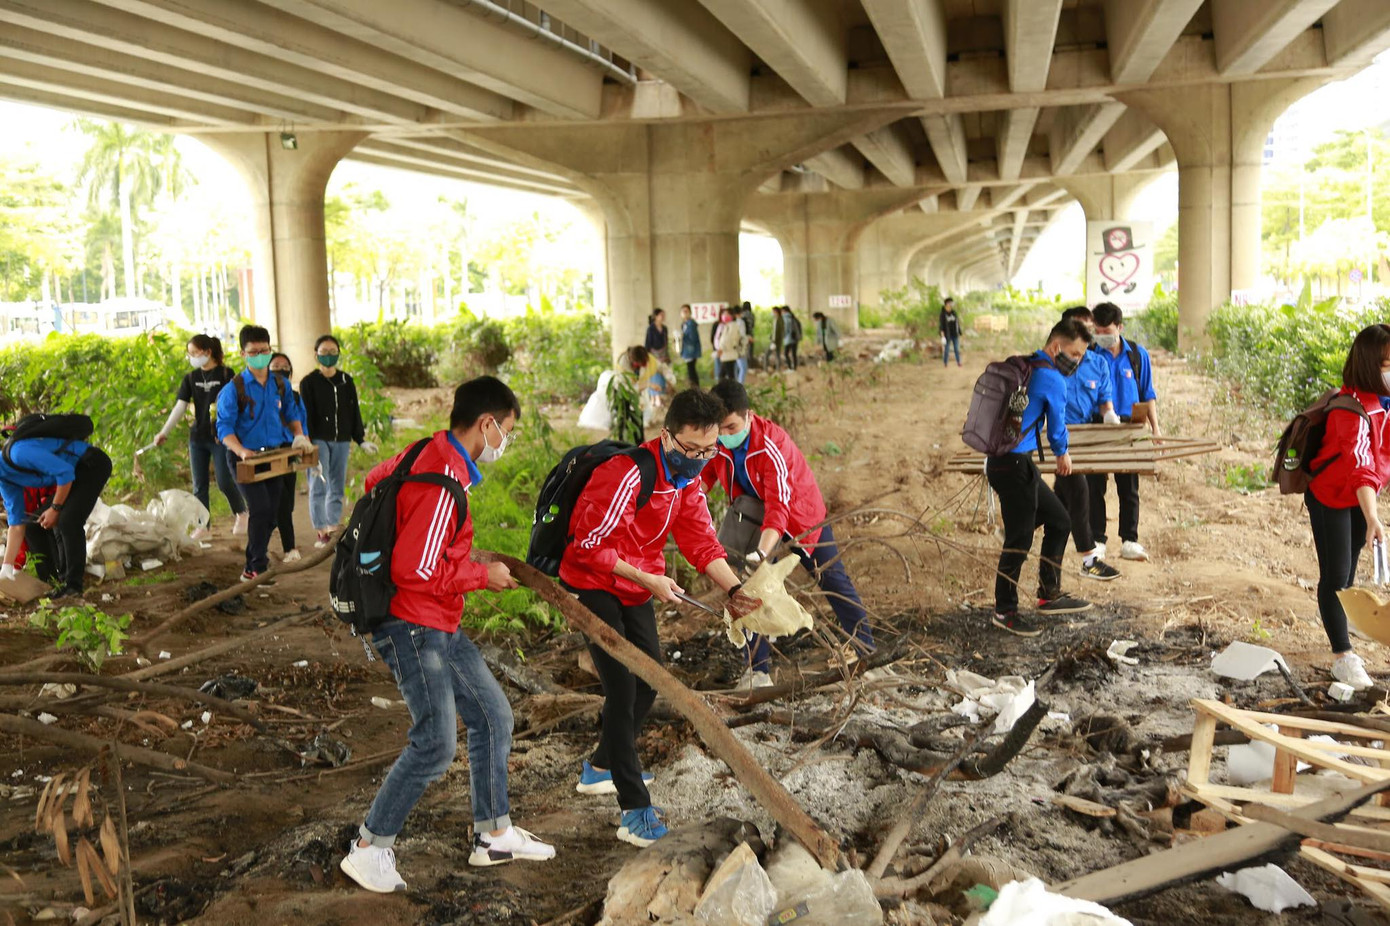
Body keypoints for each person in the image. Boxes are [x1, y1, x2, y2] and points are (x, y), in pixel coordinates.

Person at [339, 376, 555, 893]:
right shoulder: (443, 483)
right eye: (506, 430)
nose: (506, 440)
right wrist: (482, 575)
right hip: (413, 625)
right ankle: (370, 847)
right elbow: (415, 568)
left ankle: (494, 834)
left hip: (437, 620)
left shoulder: (427, 452)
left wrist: (454, 556)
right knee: (435, 745)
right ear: (486, 424)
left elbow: (375, 479)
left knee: (492, 716)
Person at [560, 389, 762, 847]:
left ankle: (600, 767)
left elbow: (701, 542)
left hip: (637, 582)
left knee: (650, 678)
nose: (699, 459)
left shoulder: (687, 482)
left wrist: (734, 590)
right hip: (595, 580)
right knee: (622, 685)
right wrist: (646, 577)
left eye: (708, 450)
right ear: (667, 435)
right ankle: (634, 809)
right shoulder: (626, 474)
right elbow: (586, 546)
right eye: (690, 449)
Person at [705, 380, 875, 687]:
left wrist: (762, 552)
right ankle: (758, 672)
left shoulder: (771, 443)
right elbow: (700, 480)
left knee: (832, 578)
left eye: (732, 427)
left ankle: (867, 652)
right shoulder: (716, 442)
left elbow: (779, 506)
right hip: (750, 517)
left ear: (749, 416)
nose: (726, 436)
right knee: (746, 589)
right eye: (721, 429)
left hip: (799, 516)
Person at [986, 318, 1094, 636]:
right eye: (1075, 354)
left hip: (1013, 462)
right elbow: (1056, 425)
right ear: (1057, 347)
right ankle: (1004, 610)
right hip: (1013, 465)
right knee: (1019, 538)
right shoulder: (1051, 378)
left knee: (1059, 520)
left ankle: (1048, 595)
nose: (1077, 361)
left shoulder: (1026, 366)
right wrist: (1063, 454)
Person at [1303, 324, 1390, 691]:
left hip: (1360, 495)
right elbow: (1360, 467)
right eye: (1386, 362)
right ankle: (1343, 657)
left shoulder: (1382, 404)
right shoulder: (1350, 410)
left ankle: (1341, 623)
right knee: (1336, 576)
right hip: (1332, 496)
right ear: (1370, 364)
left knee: (1349, 568)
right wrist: (1372, 516)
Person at [216, 325, 311, 582]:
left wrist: (299, 435)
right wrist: (241, 451)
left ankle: (256, 559)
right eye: (253, 351)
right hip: (245, 458)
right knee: (260, 508)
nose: (260, 355)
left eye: (264, 350)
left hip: (274, 456)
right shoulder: (233, 389)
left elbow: (291, 413)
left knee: (273, 512)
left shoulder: (279, 384)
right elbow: (224, 428)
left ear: (270, 350)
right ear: (243, 354)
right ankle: (255, 567)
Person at [1053, 307, 1123, 583]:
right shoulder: (1051, 366)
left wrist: (1110, 416)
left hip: (1084, 437)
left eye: (1087, 330)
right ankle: (1089, 559)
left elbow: (1105, 400)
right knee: (1079, 491)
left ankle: (1017, 533)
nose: (1085, 336)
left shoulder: (1097, 363)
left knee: (1060, 502)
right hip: (1056, 437)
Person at [153, 334, 246, 540]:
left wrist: (232, 431)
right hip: (198, 437)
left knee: (224, 480)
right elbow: (180, 406)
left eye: (195, 353)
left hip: (221, 437)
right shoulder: (191, 378)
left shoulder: (225, 373)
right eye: (191, 354)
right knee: (199, 485)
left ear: (208, 352)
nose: (193, 357)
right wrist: (164, 432)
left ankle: (241, 512)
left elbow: (236, 404)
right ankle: (203, 526)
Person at [1087, 303, 1160, 563]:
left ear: (1120, 328)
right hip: (1097, 426)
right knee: (1094, 485)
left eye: (1106, 330)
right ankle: (1097, 539)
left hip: (1130, 428)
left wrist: (1155, 428)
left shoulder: (1138, 356)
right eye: (1097, 331)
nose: (1101, 336)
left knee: (1128, 486)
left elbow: (1148, 393)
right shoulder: (1090, 355)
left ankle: (1130, 540)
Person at [0, 429, 112, 598]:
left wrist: (55, 508)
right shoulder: (5, 480)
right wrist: (7, 566)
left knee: (67, 520)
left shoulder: (18, 453)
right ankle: (51, 583)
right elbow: (16, 525)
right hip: (71, 474)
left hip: (90, 464)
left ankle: (73, 586)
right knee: (32, 525)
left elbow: (65, 473)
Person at [300, 334, 378, 547]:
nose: (328, 356)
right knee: (318, 482)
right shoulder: (309, 382)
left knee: (337, 484)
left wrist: (360, 439)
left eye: (333, 352)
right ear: (316, 355)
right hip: (318, 439)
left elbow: (354, 411)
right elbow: (304, 413)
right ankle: (321, 530)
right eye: (324, 353)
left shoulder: (346, 380)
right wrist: (307, 440)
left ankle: (333, 527)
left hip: (342, 439)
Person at [267, 353, 308, 564]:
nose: (280, 370)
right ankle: (289, 547)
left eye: (284, 367)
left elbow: (301, 421)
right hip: (269, 450)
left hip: (290, 449)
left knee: (288, 502)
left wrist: (306, 445)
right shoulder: (262, 395)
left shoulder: (294, 396)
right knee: (279, 500)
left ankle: (265, 538)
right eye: (275, 366)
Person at [718, 309, 747, 383]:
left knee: (725, 375)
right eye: (723, 314)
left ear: (731, 315)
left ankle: (730, 392)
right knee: (727, 375)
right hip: (726, 354)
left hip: (729, 353)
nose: (724, 316)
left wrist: (722, 348)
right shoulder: (727, 326)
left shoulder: (733, 326)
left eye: (726, 314)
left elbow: (730, 340)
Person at [678, 305, 702, 387]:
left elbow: (692, 338)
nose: (684, 313)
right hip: (687, 350)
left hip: (690, 351)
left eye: (686, 311)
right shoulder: (684, 324)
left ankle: (695, 388)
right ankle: (694, 388)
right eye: (683, 311)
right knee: (691, 370)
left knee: (691, 371)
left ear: (690, 312)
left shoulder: (691, 323)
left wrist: (682, 336)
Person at [939, 297, 963, 367]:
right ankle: (945, 363)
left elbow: (957, 323)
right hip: (947, 335)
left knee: (956, 349)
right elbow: (941, 326)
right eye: (950, 303)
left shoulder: (954, 313)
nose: (951, 304)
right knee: (947, 350)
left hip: (955, 334)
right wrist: (942, 336)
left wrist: (959, 332)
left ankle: (959, 362)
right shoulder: (943, 314)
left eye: (952, 303)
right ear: (946, 304)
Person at [731, 306, 750, 383]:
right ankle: (740, 385)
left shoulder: (731, 323)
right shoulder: (741, 322)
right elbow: (742, 335)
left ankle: (736, 383)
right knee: (743, 367)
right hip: (740, 347)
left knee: (736, 367)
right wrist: (747, 339)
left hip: (733, 347)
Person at [768, 306, 786, 371]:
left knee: (769, 354)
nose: (772, 313)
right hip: (775, 340)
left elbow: (779, 332)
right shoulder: (776, 319)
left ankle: (771, 370)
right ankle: (777, 369)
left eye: (773, 311)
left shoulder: (780, 320)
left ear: (776, 312)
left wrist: (774, 341)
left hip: (776, 341)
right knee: (777, 355)